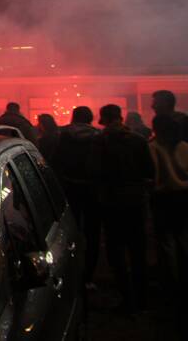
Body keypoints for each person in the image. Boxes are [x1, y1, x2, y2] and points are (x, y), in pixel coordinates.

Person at [91, 103, 154, 313]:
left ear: (104, 119)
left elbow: (94, 170)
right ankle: (142, 298)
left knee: (116, 249)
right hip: (135, 200)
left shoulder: (100, 141)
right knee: (138, 249)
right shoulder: (138, 140)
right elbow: (149, 171)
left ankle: (126, 297)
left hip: (111, 201)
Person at [55, 106, 101, 287]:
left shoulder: (64, 135)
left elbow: (56, 160)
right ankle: (88, 274)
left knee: (70, 230)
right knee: (93, 232)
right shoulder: (98, 136)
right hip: (93, 189)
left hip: (70, 187)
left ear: (74, 117)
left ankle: (70, 270)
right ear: (90, 118)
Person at [148, 112, 188, 304]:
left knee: (166, 241)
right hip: (184, 196)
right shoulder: (184, 146)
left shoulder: (153, 147)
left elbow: (153, 174)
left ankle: (171, 282)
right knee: (182, 237)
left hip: (163, 197)